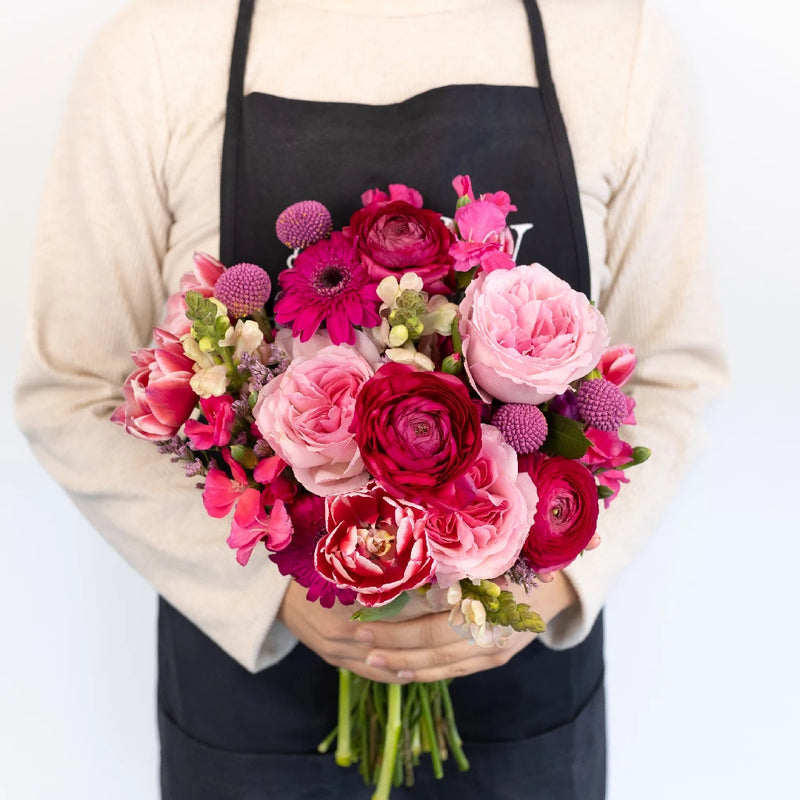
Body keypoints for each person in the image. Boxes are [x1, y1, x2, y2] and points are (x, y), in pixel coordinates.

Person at [15, 0, 727, 797]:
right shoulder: (159, 49)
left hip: (521, 704)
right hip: (253, 712)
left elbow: (675, 368)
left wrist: (544, 583)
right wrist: (273, 591)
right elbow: (71, 388)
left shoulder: (615, 44)